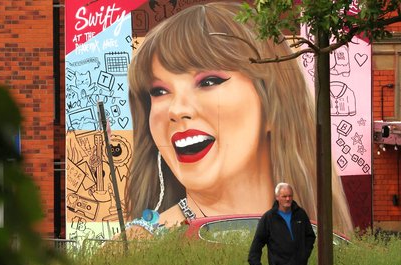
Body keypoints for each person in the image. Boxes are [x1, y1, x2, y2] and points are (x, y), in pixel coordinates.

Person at [125, 1, 353, 236]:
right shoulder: (135, 247)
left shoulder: (324, 241)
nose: (176, 109)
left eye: (209, 81)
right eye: (159, 91)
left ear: (272, 101)